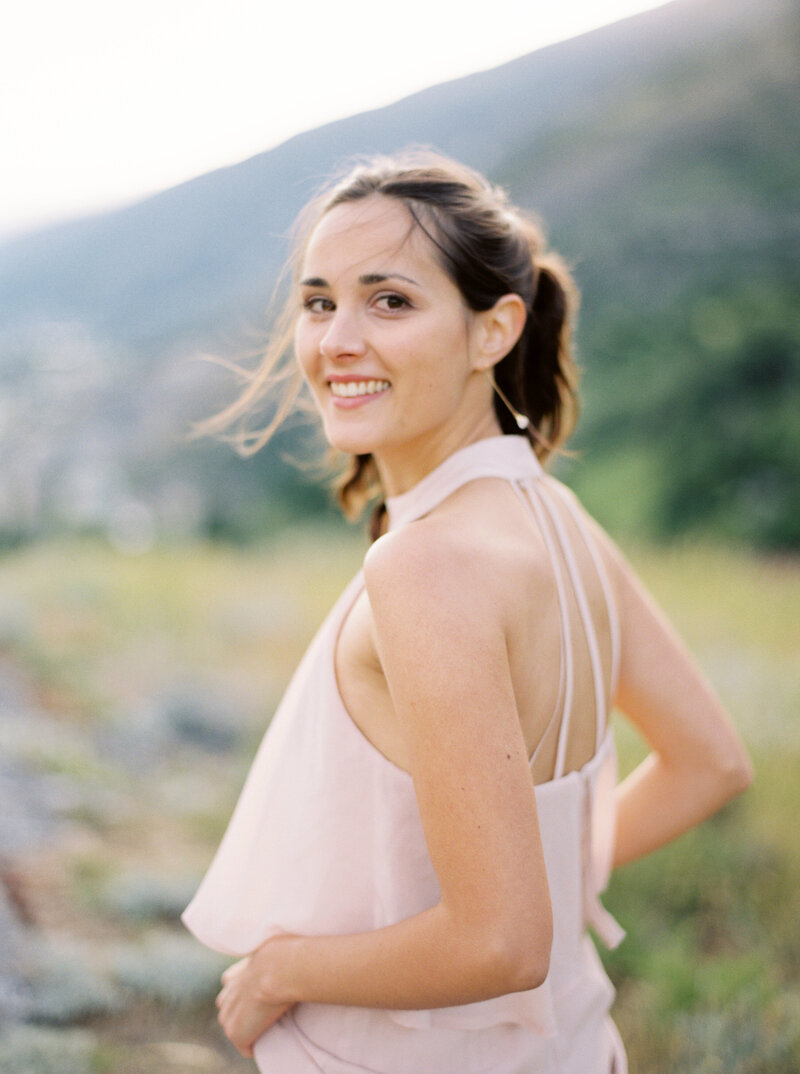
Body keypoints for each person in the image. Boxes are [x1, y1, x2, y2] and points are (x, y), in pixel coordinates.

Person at [182, 152, 752, 1073]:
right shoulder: (558, 520)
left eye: (390, 301)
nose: (335, 340)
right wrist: (548, 874)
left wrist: (280, 970)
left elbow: (501, 944)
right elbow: (709, 763)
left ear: (494, 331)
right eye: (320, 300)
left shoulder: (425, 566)